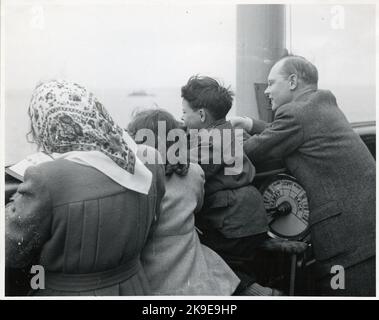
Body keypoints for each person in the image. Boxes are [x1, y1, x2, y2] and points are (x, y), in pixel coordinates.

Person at [231, 55, 375, 296]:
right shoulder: (319, 106)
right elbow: (289, 132)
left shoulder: (296, 114)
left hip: (349, 245)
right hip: (366, 230)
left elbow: (250, 151)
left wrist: (216, 138)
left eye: (271, 83)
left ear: (292, 81)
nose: (267, 91)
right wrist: (248, 124)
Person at [5, 80, 165, 296]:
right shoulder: (148, 162)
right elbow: (152, 227)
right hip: (133, 287)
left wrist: (13, 206)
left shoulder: (45, 177)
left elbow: (12, 253)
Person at [181, 76, 280, 296]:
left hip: (232, 224)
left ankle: (259, 293)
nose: (182, 117)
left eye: (185, 113)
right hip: (250, 219)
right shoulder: (231, 132)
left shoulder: (212, 141)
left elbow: (186, 165)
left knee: (206, 263)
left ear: (202, 115)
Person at [127, 109, 240, 295]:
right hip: (192, 270)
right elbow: (198, 205)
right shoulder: (194, 172)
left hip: (150, 275)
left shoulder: (133, 180)